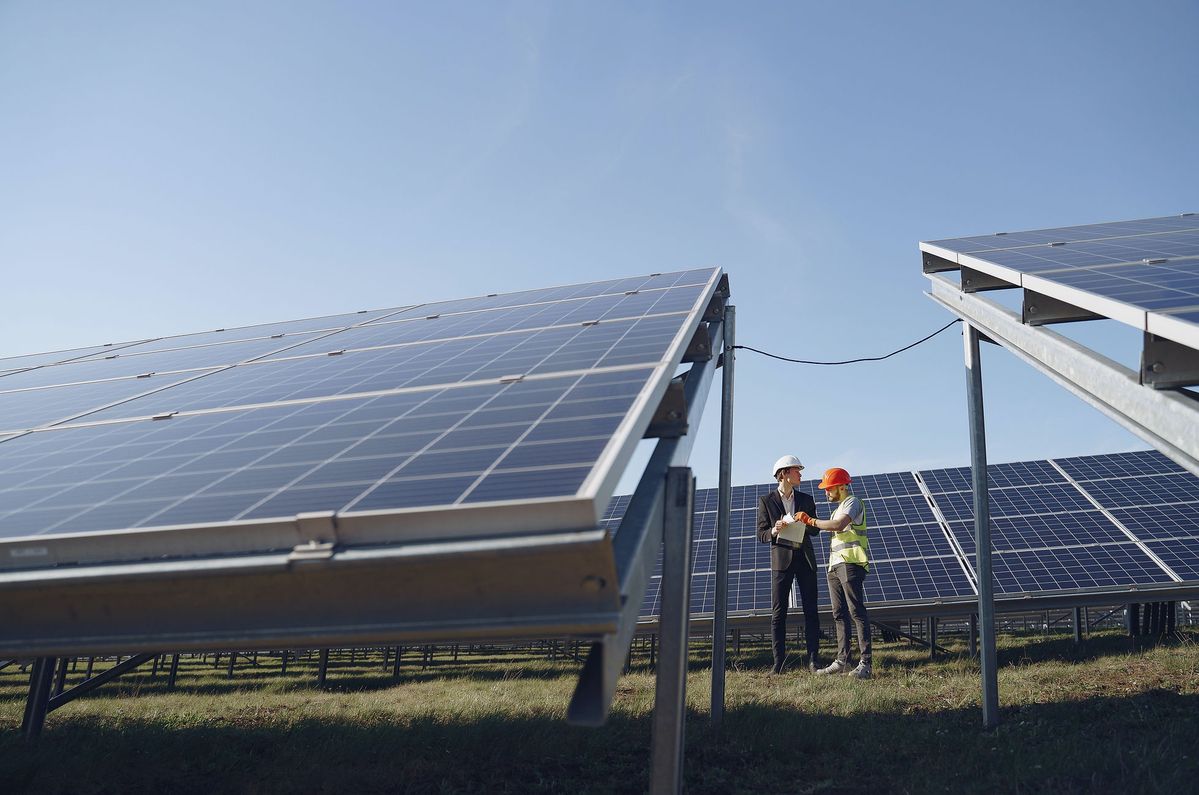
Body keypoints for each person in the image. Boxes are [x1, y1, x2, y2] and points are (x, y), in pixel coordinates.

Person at [795, 467, 872, 679]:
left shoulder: (852, 503)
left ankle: (865, 664)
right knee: (839, 614)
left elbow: (838, 526)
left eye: (829, 489)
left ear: (841, 486)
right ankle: (843, 661)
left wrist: (810, 521)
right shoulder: (838, 508)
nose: (826, 493)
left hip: (850, 563)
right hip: (835, 566)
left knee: (856, 612)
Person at [756, 455, 822, 674]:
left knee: (811, 611)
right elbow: (761, 534)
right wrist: (775, 530)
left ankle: (813, 660)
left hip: (805, 560)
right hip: (782, 561)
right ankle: (779, 663)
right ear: (784, 473)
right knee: (778, 613)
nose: (800, 474)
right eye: (797, 471)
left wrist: (806, 521)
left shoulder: (807, 499)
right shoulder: (766, 501)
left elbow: (815, 530)